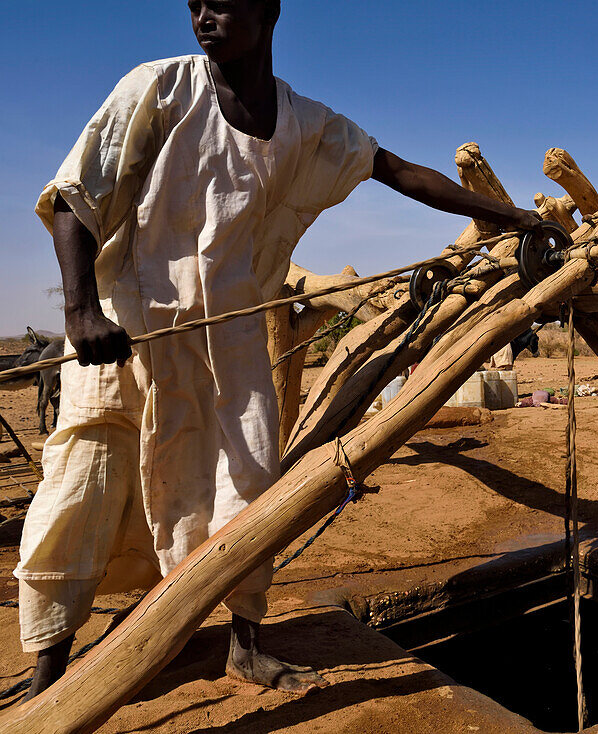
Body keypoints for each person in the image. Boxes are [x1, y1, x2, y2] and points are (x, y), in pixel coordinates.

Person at [16, 0, 540, 701]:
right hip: (127, 333)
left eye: (222, 2)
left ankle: (243, 645)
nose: (203, 16)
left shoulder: (306, 125)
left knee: (245, 490)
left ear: (268, 10)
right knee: (80, 489)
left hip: (230, 344)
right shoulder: (159, 88)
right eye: (194, 3)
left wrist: (509, 216)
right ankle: (50, 670)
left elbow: (397, 170)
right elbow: (77, 197)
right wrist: (80, 310)